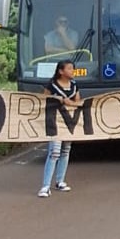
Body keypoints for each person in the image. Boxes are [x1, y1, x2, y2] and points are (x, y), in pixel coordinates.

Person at [39, 59, 82, 197]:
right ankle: (45, 186)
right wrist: (59, 100)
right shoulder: (51, 85)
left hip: (68, 122)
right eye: (69, 69)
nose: (72, 71)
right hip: (54, 122)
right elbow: (43, 101)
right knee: (54, 152)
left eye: (72, 68)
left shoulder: (74, 85)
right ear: (61, 71)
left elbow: (78, 102)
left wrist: (70, 103)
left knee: (65, 150)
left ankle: (60, 181)